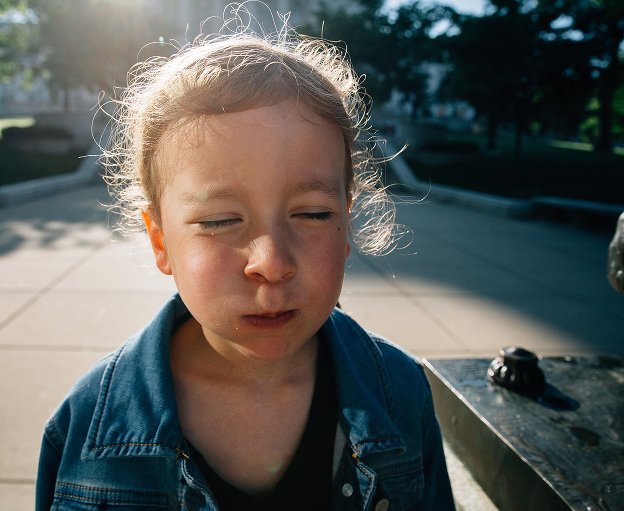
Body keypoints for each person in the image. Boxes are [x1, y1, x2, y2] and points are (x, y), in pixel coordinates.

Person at [36, 7, 455, 510]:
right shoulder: (85, 428)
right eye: (219, 221)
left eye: (314, 214)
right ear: (160, 242)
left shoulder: (401, 392)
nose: (271, 262)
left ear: (347, 223)